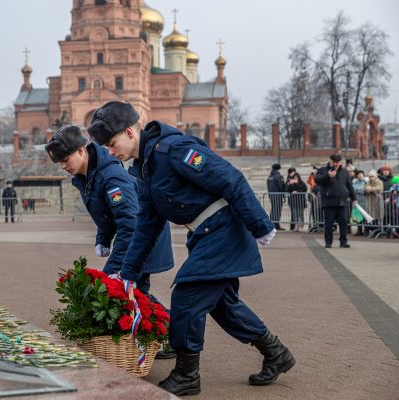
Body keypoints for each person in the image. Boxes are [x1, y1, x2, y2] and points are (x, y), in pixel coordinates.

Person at [87, 101, 294, 396]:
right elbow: (146, 225)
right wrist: (128, 274)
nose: (109, 151)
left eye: (111, 143)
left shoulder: (172, 150)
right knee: (223, 305)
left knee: (186, 297)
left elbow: (229, 178)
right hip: (203, 235)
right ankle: (276, 354)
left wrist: (259, 224)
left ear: (130, 132)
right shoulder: (144, 170)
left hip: (223, 230)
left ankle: (186, 374)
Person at [45, 125, 176, 358]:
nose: (64, 166)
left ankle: (172, 334)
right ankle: (168, 335)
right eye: (59, 162)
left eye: (66, 159)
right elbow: (104, 214)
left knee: (128, 291)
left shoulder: (111, 175)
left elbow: (130, 223)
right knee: (136, 293)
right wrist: (103, 238)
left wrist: (115, 266)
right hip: (134, 238)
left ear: (82, 151)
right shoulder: (86, 176)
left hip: (145, 239)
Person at [315, 154, 357, 248]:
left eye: (337, 162)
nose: (335, 164)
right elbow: (318, 180)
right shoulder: (323, 170)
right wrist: (328, 176)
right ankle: (328, 242)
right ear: (330, 161)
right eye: (333, 162)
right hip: (329, 202)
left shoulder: (344, 172)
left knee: (343, 223)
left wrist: (354, 198)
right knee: (329, 224)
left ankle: (343, 242)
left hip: (342, 202)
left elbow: (349, 185)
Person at [266, 163, 285, 230]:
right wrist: (283, 195)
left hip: (271, 195)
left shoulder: (269, 177)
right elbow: (281, 187)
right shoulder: (278, 176)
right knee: (277, 210)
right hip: (278, 195)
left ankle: (273, 224)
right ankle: (275, 225)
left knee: (274, 209)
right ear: (279, 169)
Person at [352, 170, 368, 236]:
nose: (360, 175)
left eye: (361, 174)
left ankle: (366, 230)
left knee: (365, 215)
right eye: (358, 174)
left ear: (363, 175)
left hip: (364, 200)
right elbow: (352, 190)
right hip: (356, 200)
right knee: (358, 215)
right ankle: (359, 230)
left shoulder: (366, 182)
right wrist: (358, 191)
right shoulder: (354, 182)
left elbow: (365, 191)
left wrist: (358, 191)